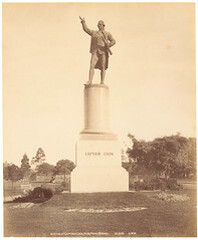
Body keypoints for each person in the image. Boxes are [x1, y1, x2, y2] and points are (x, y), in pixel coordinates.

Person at [79, 16, 116, 85]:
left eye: (100, 24)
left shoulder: (107, 33)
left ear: (103, 25)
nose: (98, 25)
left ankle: (102, 82)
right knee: (92, 65)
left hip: (103, 51)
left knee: (103, 67)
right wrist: (83, 22)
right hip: (95, 51)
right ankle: (89, 81)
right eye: (98, 24)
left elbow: (113, 41)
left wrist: (108, 44)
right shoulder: (94, 32)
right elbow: (86, 29)